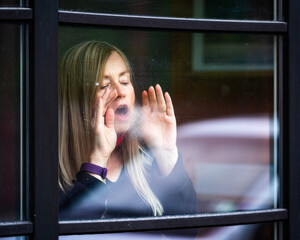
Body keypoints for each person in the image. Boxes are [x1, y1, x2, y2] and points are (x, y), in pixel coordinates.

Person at [58, 41, 197, 220]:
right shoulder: (50, 172)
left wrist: (166, 152)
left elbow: (186, 231)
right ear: (77, 103)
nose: (120, 92)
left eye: (124, 81)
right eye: (103, 86)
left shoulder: (148, 159)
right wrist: (97, 162)